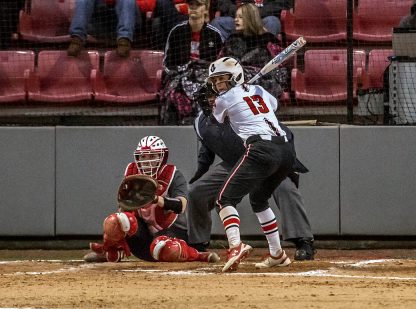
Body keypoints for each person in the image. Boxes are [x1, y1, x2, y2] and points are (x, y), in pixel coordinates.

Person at [187, 84, 315, 261]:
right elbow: (207, 148)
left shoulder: (239, 106)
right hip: (232, 163)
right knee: (196, 191)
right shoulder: (200, 123)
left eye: (213, 96)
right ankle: (197, 244)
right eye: (207, 97)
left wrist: (287, 164)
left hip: (262, 158)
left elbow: (282, 134)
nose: (210, 100)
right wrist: (200, 171)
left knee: (286, 189)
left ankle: (303, 241)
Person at [206, 56, 295, 272]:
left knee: (224, 198)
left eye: (223, 80)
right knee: (258, 199)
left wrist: (218, 102)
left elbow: (216, 120)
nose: (219, 85)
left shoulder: (223, 100)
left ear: (235, 77)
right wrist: (248, 90)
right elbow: (274, 105)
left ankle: (235, 246)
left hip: (262, 149)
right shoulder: (258, 90)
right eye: (216, 81)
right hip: (287, 151)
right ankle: (277, 254)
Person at [83, 135, 220, 264]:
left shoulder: (173, 174)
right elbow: (123, 207)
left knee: (166, 248)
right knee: (115, 220)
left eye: (153, 156)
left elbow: (180, 206)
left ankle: (198, 254)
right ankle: (112, 251)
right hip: (141, 240)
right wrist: (116, 233)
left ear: (162, 157)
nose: (147, 161)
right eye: (143, 156)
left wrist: (156, 199)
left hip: (169, 232)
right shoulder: (132, 171)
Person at [160, 0, 223, 125]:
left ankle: (207, 128)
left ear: (206, 8)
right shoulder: (176, 32)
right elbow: (167, 63)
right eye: (191, 5)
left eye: (198, 5)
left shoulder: (215, 34)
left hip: (206, 78)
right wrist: (181, 73)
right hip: (180, 76)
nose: (193, 8)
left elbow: (220, 63)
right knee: (174, 93)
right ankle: (175, 130)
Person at [218, 0, 288, 99]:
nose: (236, 20)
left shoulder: (267, 40)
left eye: (240, 17)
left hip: (261, 86)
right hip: (235, 86)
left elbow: (279, 67)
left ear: (251, 19)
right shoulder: (232, 39)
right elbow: (221, 62)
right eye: (236, 17)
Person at [67, 0, 149, 57]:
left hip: (130, 23)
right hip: (101, 23)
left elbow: (148, 5)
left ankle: (124, 41)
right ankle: (77, 39)